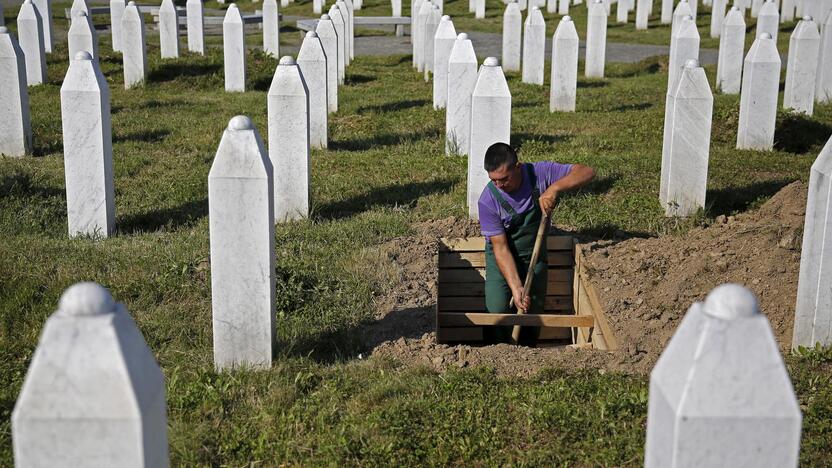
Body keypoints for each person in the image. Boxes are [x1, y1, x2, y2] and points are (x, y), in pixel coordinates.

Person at [478, 142, 595, 346]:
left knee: (534, 312)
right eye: (493, 180)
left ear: (518, 166)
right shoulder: (488, 200)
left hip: (534, 254)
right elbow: (500, 247)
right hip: (502, 257)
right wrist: (516, 287)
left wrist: (554, 188)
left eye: (504, 179)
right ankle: (496, 356)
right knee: (496, 309)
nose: (499, 185)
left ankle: (527, 357)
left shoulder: (539, 173)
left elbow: (587, 171)